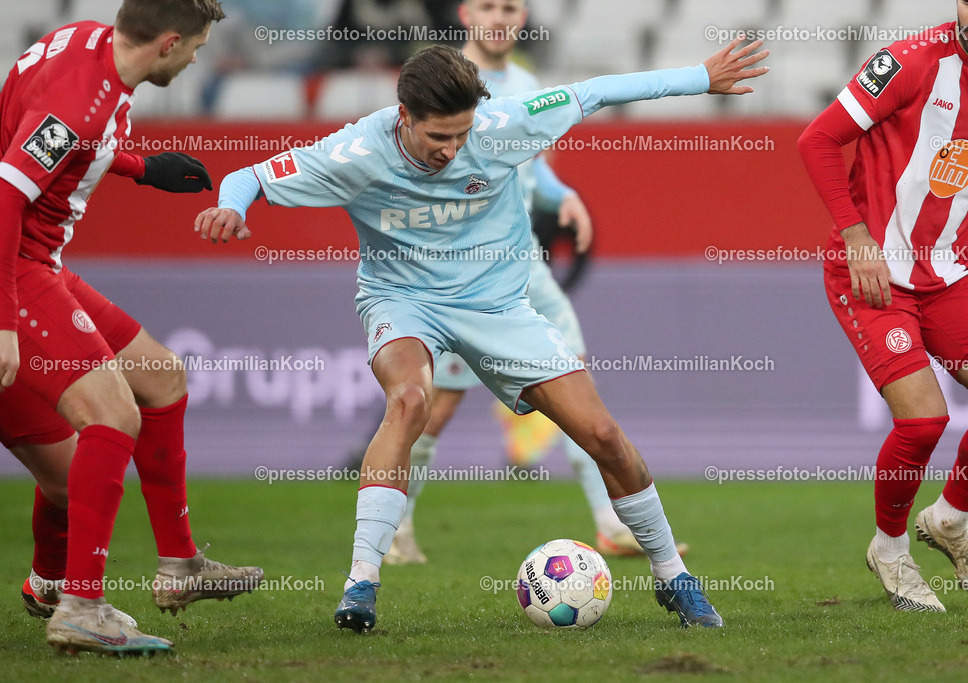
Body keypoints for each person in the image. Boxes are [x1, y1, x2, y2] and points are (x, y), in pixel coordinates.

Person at [197, 39, 769, 632]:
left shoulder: (504, 124)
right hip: (404, 300)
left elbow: (596, 91)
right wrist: (231, 206)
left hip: (497, 306)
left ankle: (674, 577)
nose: (452, 150)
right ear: (404, 118)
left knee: (602, 434)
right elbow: (250, 175)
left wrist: (699, 76)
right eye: (438, 137)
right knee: (411, 401)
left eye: (461, 135)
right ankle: (361, 583)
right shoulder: (356, 150)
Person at [384, 0, 687, 566]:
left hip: (527, 265)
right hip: (467, 275)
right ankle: (396, 530)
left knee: (576, 384)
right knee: (435, 407)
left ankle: (610, 523)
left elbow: (532, 166)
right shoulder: (442, 85)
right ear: (467, 14)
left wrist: (562, 195)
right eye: (489, 6)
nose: (501, 18)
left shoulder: (523, 79)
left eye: (512, 7)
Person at [0, 0, 261, 655]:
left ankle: (176, 566)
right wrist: (4, 323)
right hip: (16, 264)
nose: (198, 57)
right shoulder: (84, 98)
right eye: (198, 47)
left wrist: (142, 169)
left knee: (161, 377)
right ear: (169, 42)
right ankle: (80, 605)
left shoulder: (87, 44)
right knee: (114, 415)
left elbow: (56, 140)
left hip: (41, 261)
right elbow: (6, 195)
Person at [799, 0, 968, 612]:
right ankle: (890, 549)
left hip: (946, 274)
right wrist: (856, 235)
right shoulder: (906, 61)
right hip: (869, 273)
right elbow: (818, 139)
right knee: (923, 422)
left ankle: (950, 520)